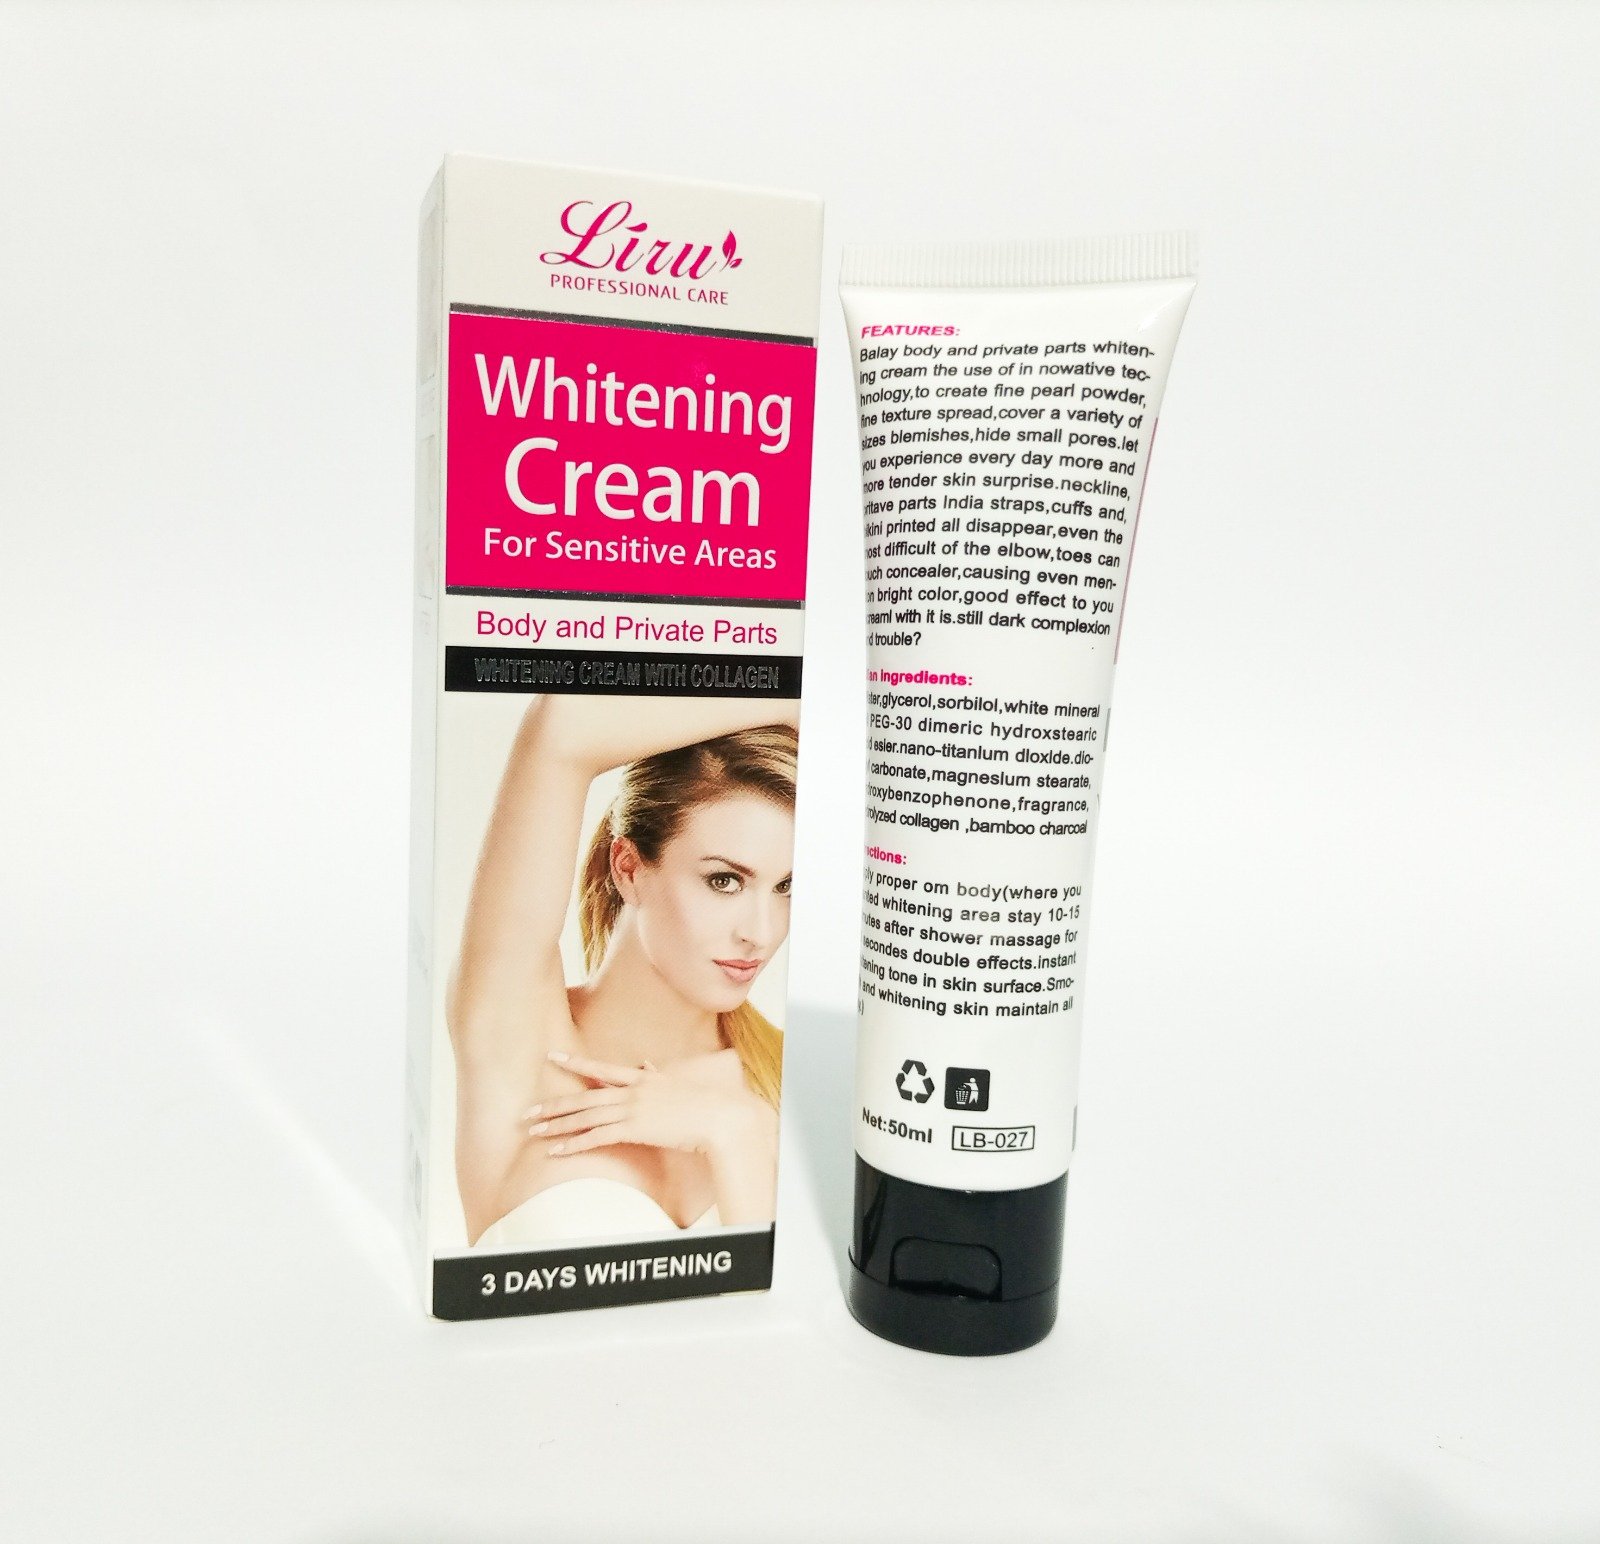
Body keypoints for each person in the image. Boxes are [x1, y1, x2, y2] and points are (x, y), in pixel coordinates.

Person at [447, 692, 798, 1248]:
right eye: (724, 881)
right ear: (629, 868)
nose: (761, 931)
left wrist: (733, 1135)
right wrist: (795, 705)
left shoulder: (784, 1077)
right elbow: (560, 729)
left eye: (785, 887)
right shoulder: (519, 1034)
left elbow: (785, 1296)